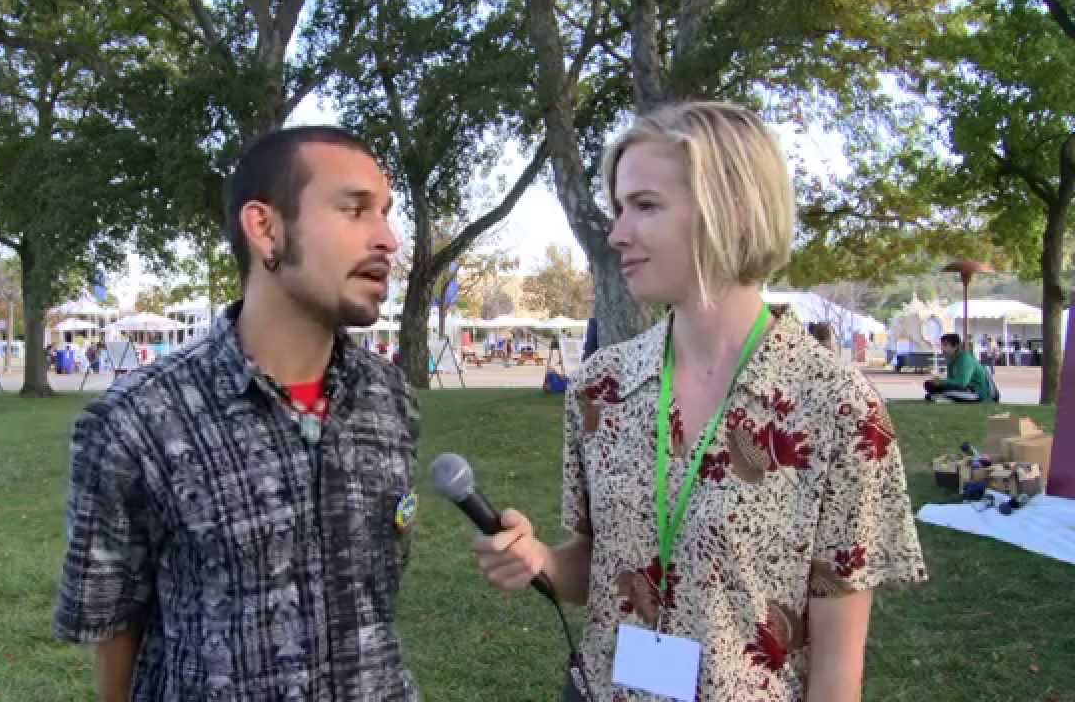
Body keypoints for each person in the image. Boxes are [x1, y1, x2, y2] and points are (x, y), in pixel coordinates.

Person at [470, 102, 927, 702]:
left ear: (728, 210)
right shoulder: (600, 390)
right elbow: (599, 571)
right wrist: (542, 561)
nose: (617, 233)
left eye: (646, 206)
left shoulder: (837, 409)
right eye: (618, 209)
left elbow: (838, 674)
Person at [53, 126, 420, 701]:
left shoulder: (389, 401)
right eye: (355, 211)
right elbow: (113, 622)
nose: (387, 239)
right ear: (266, 228)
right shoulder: (136, 423)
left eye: (386, 213)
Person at [924, 332, 992, 403]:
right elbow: (951, 381)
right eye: (942, 345)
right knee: (929, 384)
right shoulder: (951, 360)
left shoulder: (965, 359)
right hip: (963, 389)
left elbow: (962, 383)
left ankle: (943, 397)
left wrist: (942, 382)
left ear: (956, 346)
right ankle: (942, 397)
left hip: (977, 392)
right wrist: (939, 382)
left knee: (946, 393)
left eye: (945, 345)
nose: (942, 348)